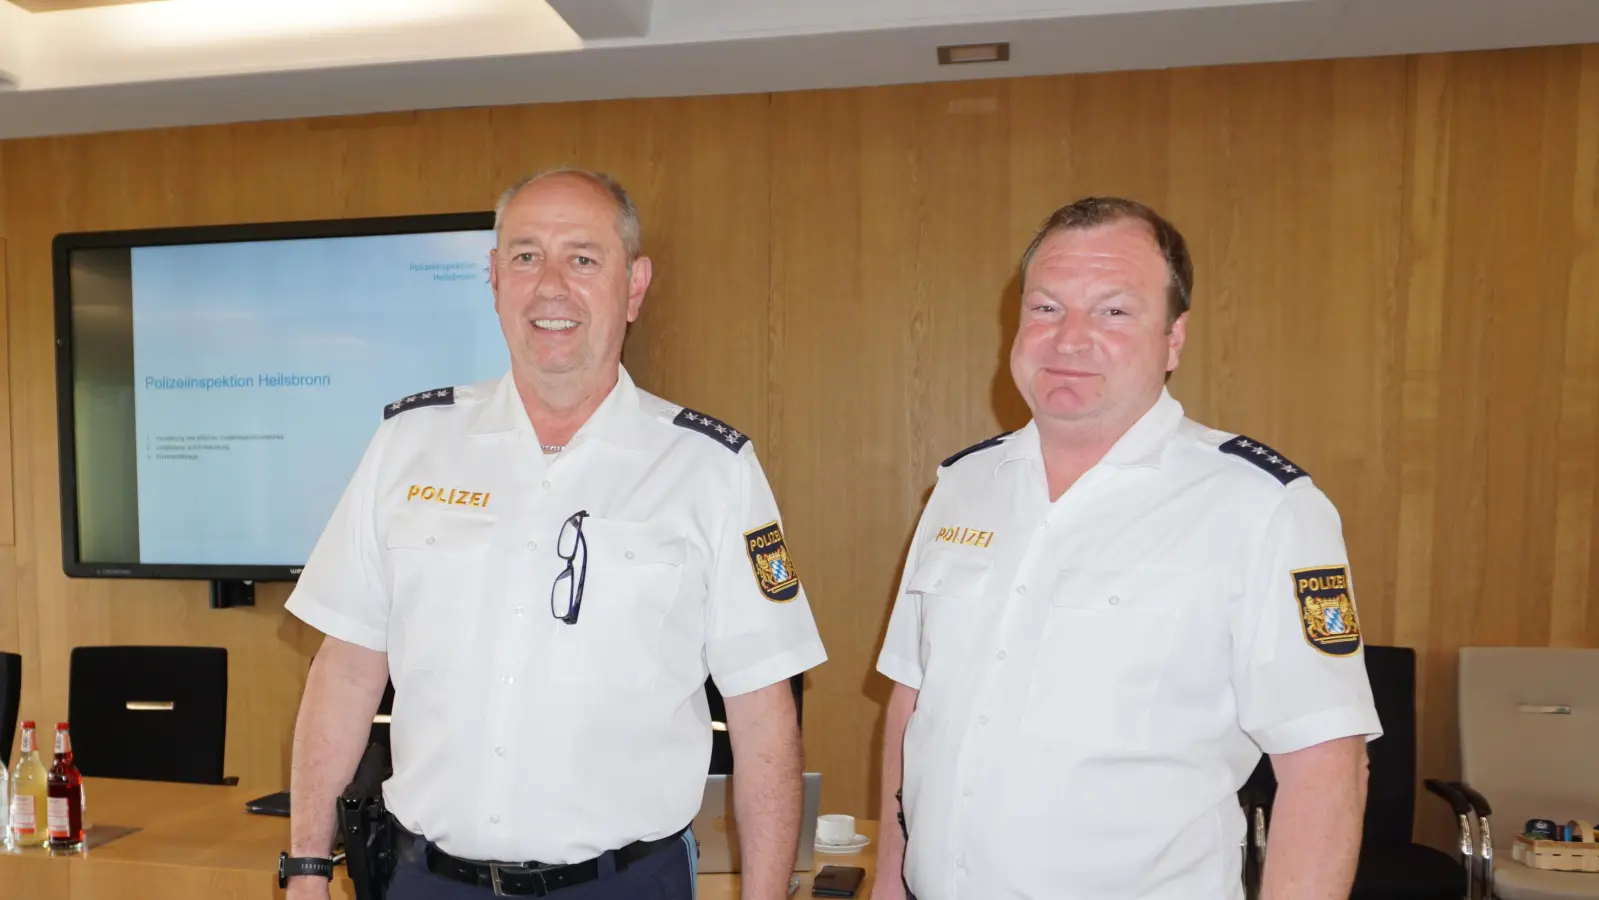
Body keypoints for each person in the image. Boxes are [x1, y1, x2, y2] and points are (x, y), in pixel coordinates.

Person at [278, 168, 827, 900]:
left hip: (625, 884)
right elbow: (345, 672)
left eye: (582, 257)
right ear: (494, 279)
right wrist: (308, 866)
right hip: (427, 883)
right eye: (526, 256)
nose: (550, 287)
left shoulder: (710, 469)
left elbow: (763, 714)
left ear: (634, 285)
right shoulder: (409, 445)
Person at [872, 197, 1381, 899]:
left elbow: (1324, 763)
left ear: (1174, 337)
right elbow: (912, 705)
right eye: (1046, 308)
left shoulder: (1263, 507)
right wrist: (889, 886)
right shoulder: (963, 486)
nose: (1069, 339)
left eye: (1112, 311)